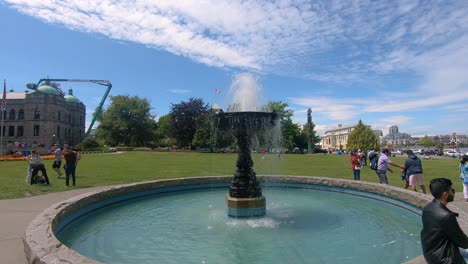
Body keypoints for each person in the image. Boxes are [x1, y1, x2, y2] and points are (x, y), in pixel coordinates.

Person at [421, 178, 468, 263]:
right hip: (445, 259)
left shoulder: (428, 208)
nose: (454, 193)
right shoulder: (447, 217)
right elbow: (463, 242)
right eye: (452, 190)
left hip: (431, 253)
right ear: (445, 194)